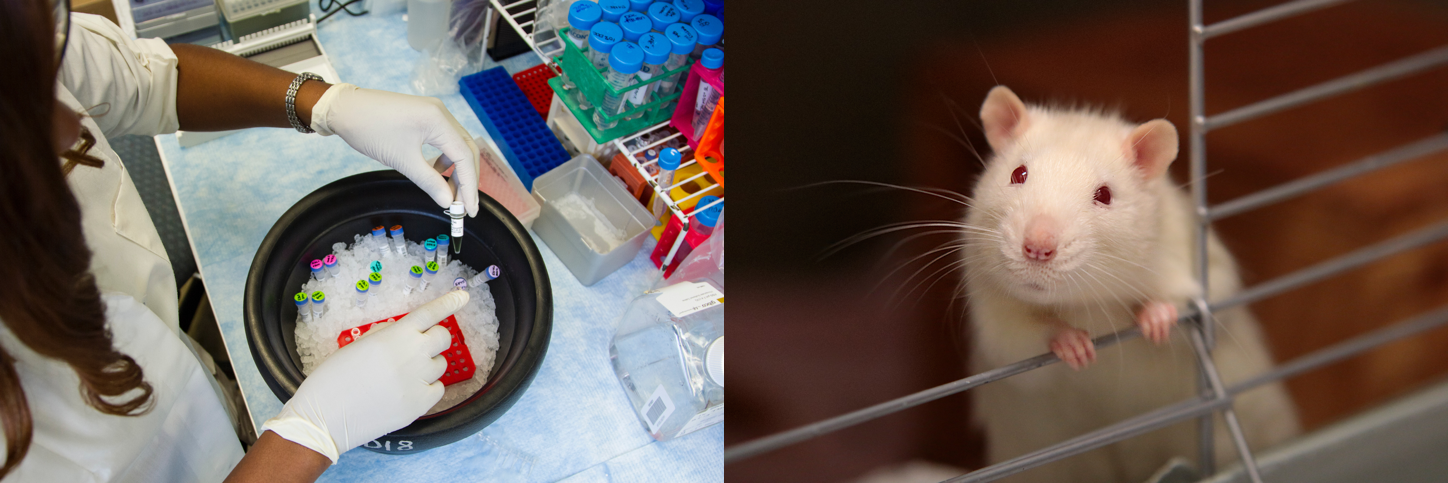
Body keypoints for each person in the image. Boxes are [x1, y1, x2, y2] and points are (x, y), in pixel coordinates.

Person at [1, 0, 486, 480]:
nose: (74, 124)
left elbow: (149, 79)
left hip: (182, 384)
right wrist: (310, 436)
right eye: (19, 120)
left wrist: (326, 103)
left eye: (48, 84)